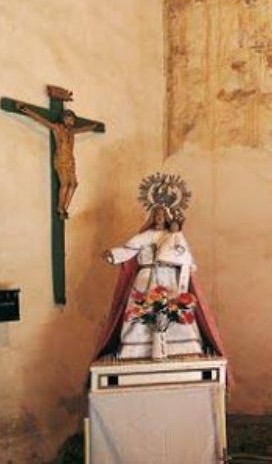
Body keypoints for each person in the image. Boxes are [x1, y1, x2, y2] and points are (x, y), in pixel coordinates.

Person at [94, 206, 227, 362]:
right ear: (151, 217)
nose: (159, 218)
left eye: (162, 215)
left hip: (169, 278)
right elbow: (128, 250)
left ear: (167, 218)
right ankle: (135, 348)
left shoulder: (174, 236)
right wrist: (113, 254)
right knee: (140, 308)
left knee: (175, 308)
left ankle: (183, 346)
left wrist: (176, 245)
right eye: (156, 215)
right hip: (146, 278)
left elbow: (184, 255)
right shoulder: (144, 236)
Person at [16, 102, 101, 219]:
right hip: (61, 160)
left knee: (74, 184)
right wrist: (26, 110)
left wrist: (94, 127)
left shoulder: (72, 131)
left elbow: (84, 129)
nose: (70, 122)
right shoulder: (57, 128)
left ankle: (65, 208)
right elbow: (41, 120)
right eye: (68, 119)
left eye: (72, 120)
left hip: (70, 161)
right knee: (65, 184)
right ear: (63, 119)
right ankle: (60, 208)